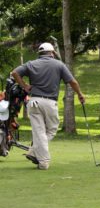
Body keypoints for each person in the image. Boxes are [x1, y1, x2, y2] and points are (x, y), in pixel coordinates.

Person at [11, 42, 85, 170]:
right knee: (51, 130)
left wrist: (25, 86)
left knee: (39, 131)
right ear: (52, 52)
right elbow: (72, 81)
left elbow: (15, 73)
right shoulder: (59, 64)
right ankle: (44, 161)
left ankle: (34, 151)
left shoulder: (31, 63)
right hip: (50, 102)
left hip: (33, 101)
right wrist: (79, 94)